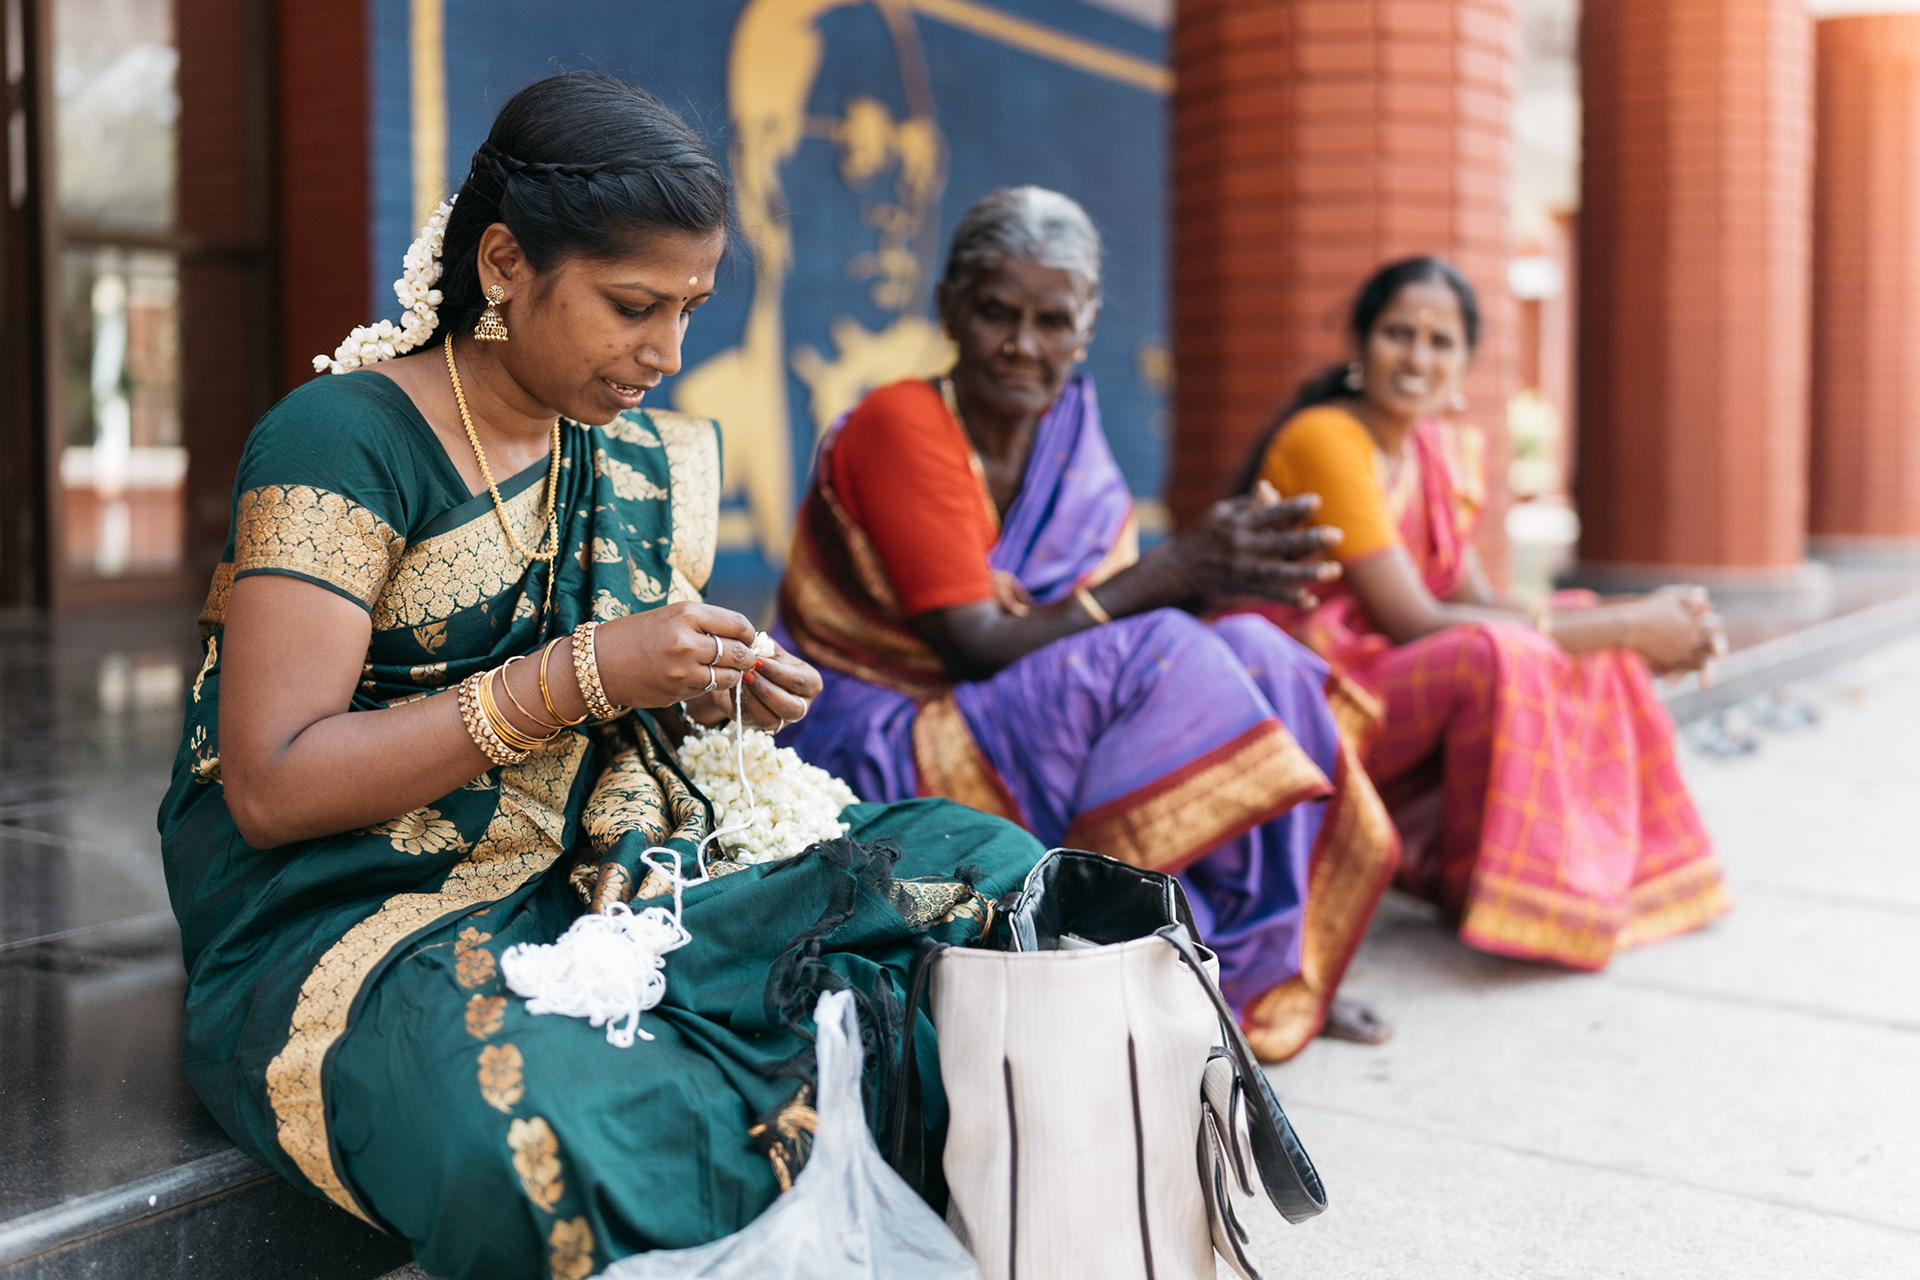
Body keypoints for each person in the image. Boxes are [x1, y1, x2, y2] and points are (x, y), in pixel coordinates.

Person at [159, 75, 1043, 1280]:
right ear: (508, 262)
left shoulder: (630, 451)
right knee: (545, 1126)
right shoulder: (343, 439)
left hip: (606, 854)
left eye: (690, 308)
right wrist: (581, 674)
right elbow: (270, 784)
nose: (667, 353)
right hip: (355, 908)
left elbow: (618, 691)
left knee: (998, 876)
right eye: (633, 305)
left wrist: (693, 686)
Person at [775, 187, 1400, 1059]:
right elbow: (978, 645)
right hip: (882, 731)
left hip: (1010, 713)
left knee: (1266, 652)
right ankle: (1131, 947)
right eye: (997, 312)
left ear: (1087, 327)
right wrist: (1176, 572)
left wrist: (1209, 577)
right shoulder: (904, 422)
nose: (1023, 346)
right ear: (950, 305)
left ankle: (1259, 969)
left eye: (1052, 321)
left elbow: (1095, 620)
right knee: (1170, 653)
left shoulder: (1070, 429)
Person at [1237, 256, 1730, 970]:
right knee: (1496, 653)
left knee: (1572, 616)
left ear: (1465, 363)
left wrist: (1626, 617)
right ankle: (1488, 886)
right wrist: (1629, 627)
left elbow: (1473, 601)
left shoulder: (1429, 452)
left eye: (1441, 342)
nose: (1418, 356)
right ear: (1358, 345)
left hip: (1382, 682)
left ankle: (1586, 883)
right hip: (1308, 697)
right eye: (1398, 334)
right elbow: (1413, 619)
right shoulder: (1328, 438)